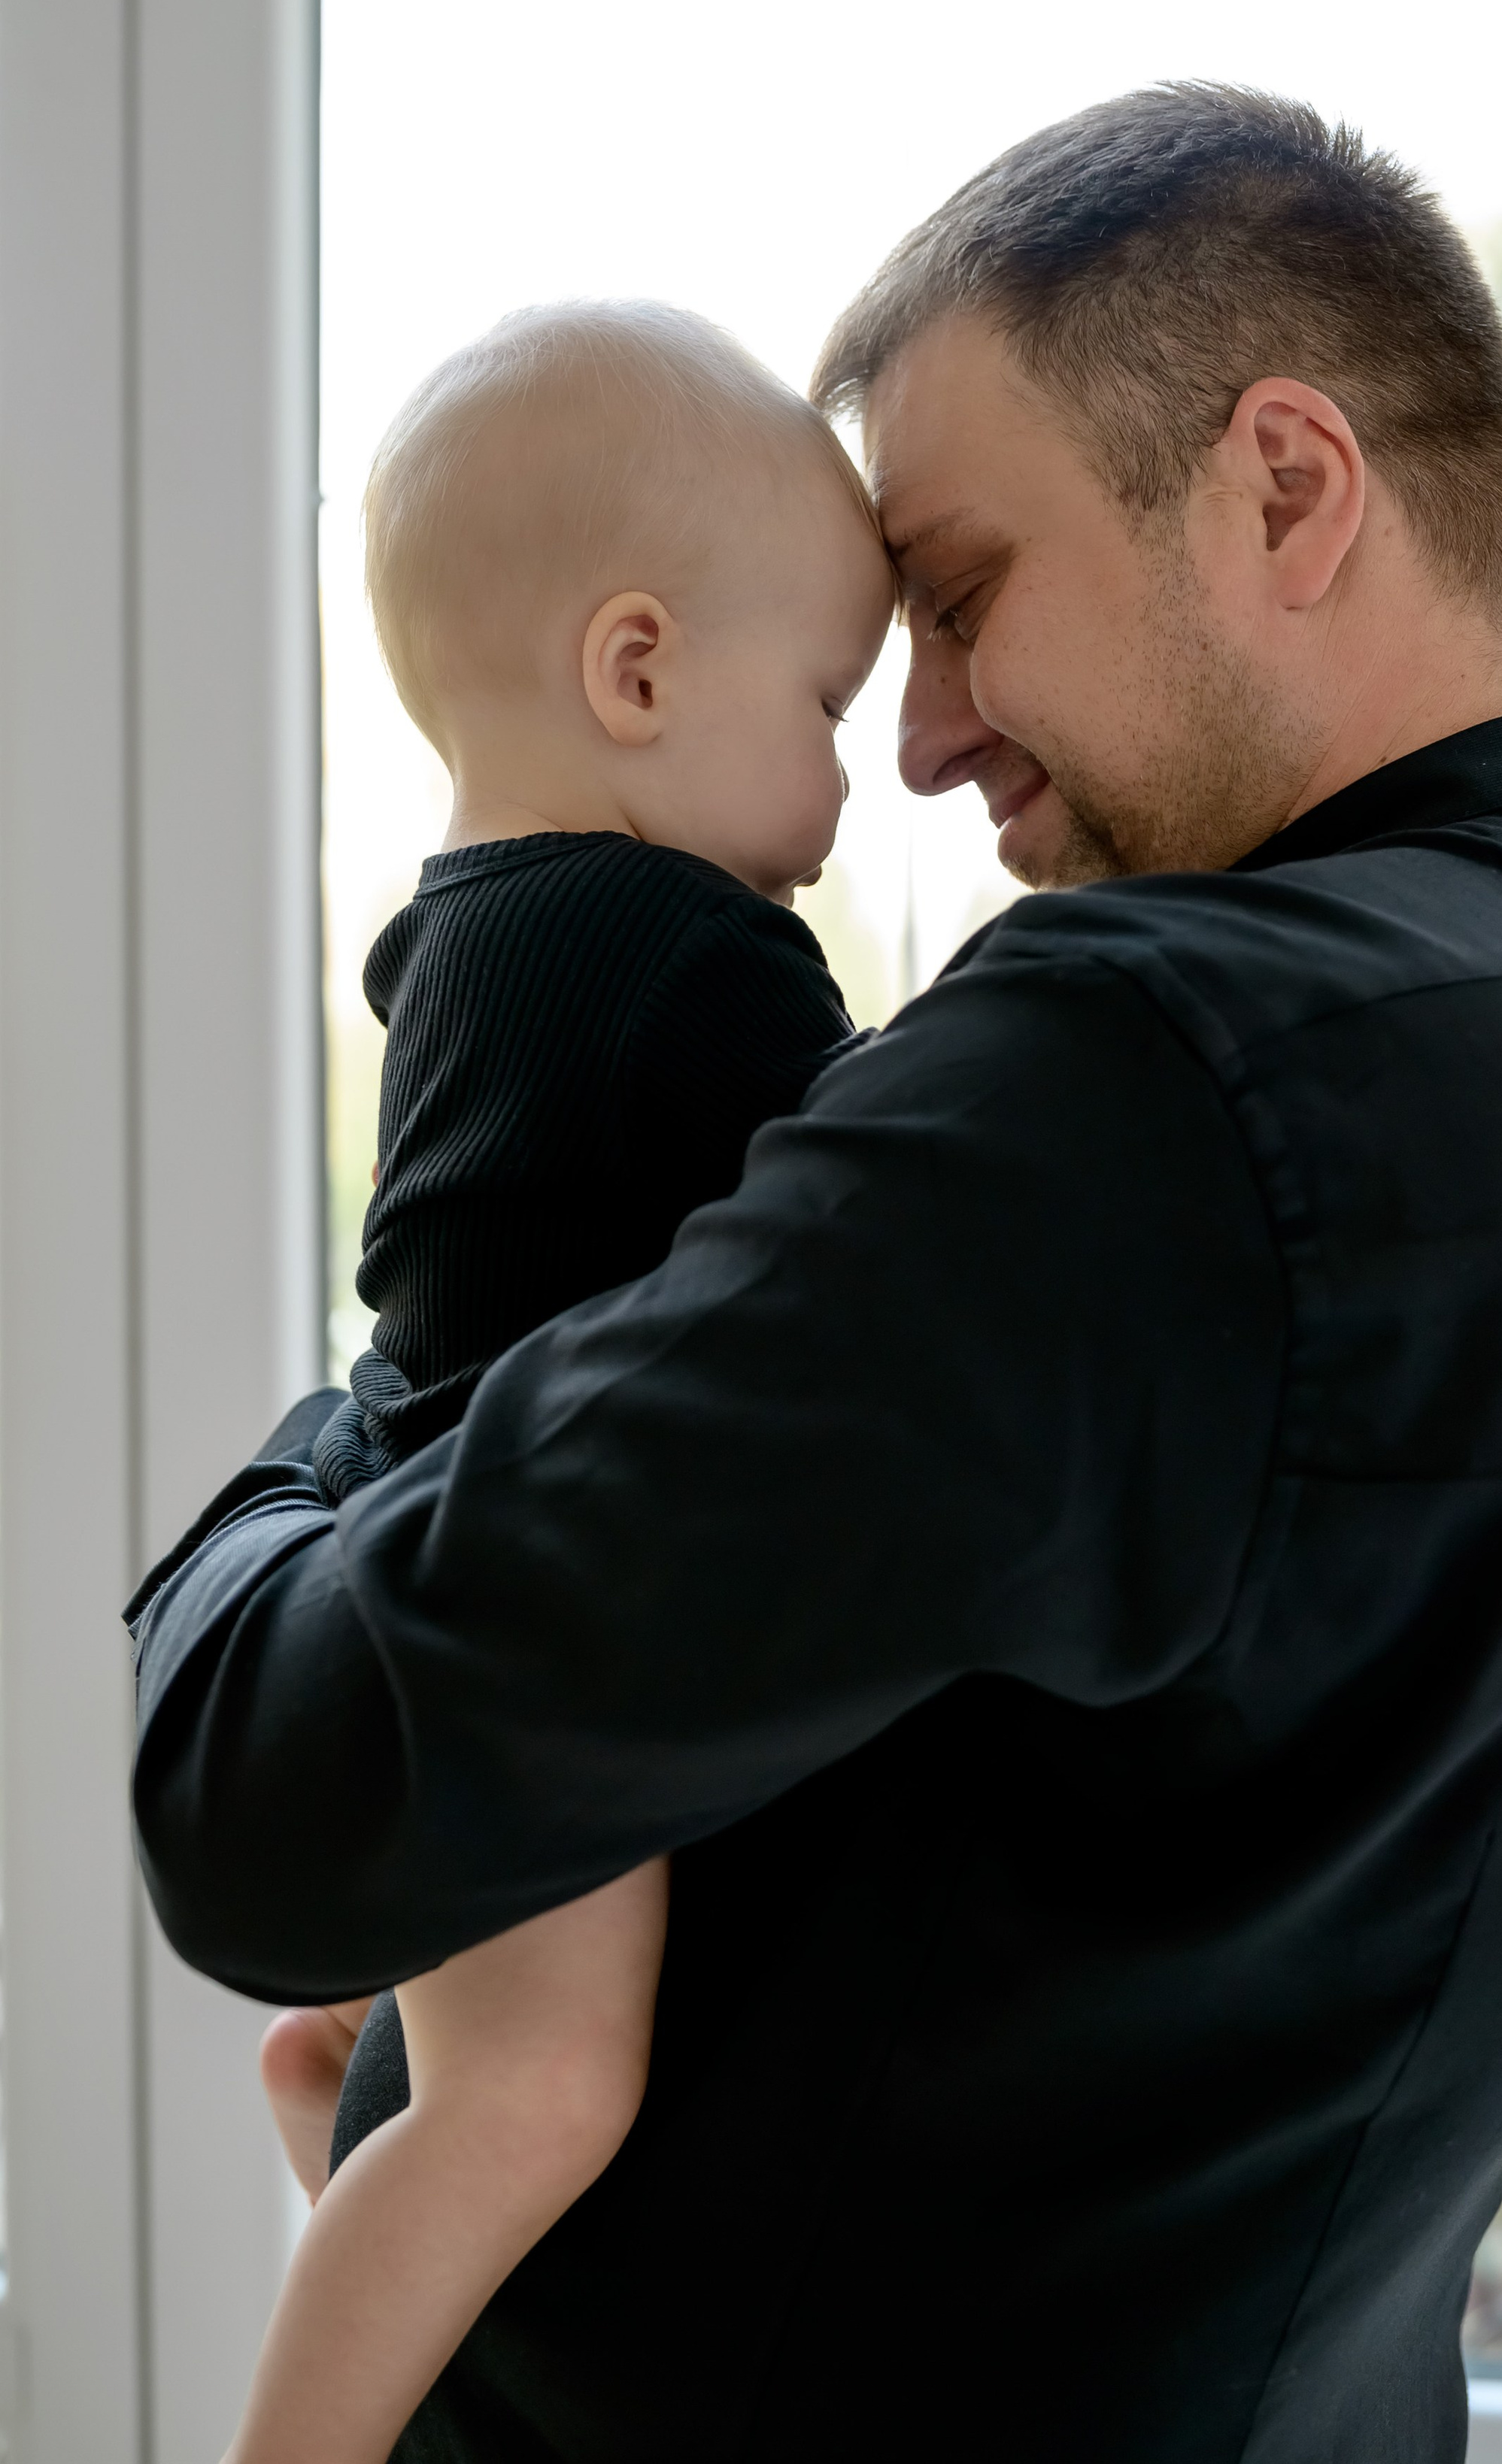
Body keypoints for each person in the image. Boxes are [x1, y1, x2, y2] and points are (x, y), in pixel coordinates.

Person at [128, 86, 1502, 2464]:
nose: (930, 737)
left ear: (1287, 483)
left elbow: (275, 1794)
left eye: (958, 596)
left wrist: (348, 1430)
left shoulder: (1149, 1072)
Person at [201, 299, 893, 2464]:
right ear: (639, 670)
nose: (851, 778)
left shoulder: (469, 931)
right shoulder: (679, 953)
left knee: (500, 2075)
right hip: (519, 1605)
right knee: (545, 2090)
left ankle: (339, 2109)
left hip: (442, 1532)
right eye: (827, 701)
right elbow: (903, 1187)